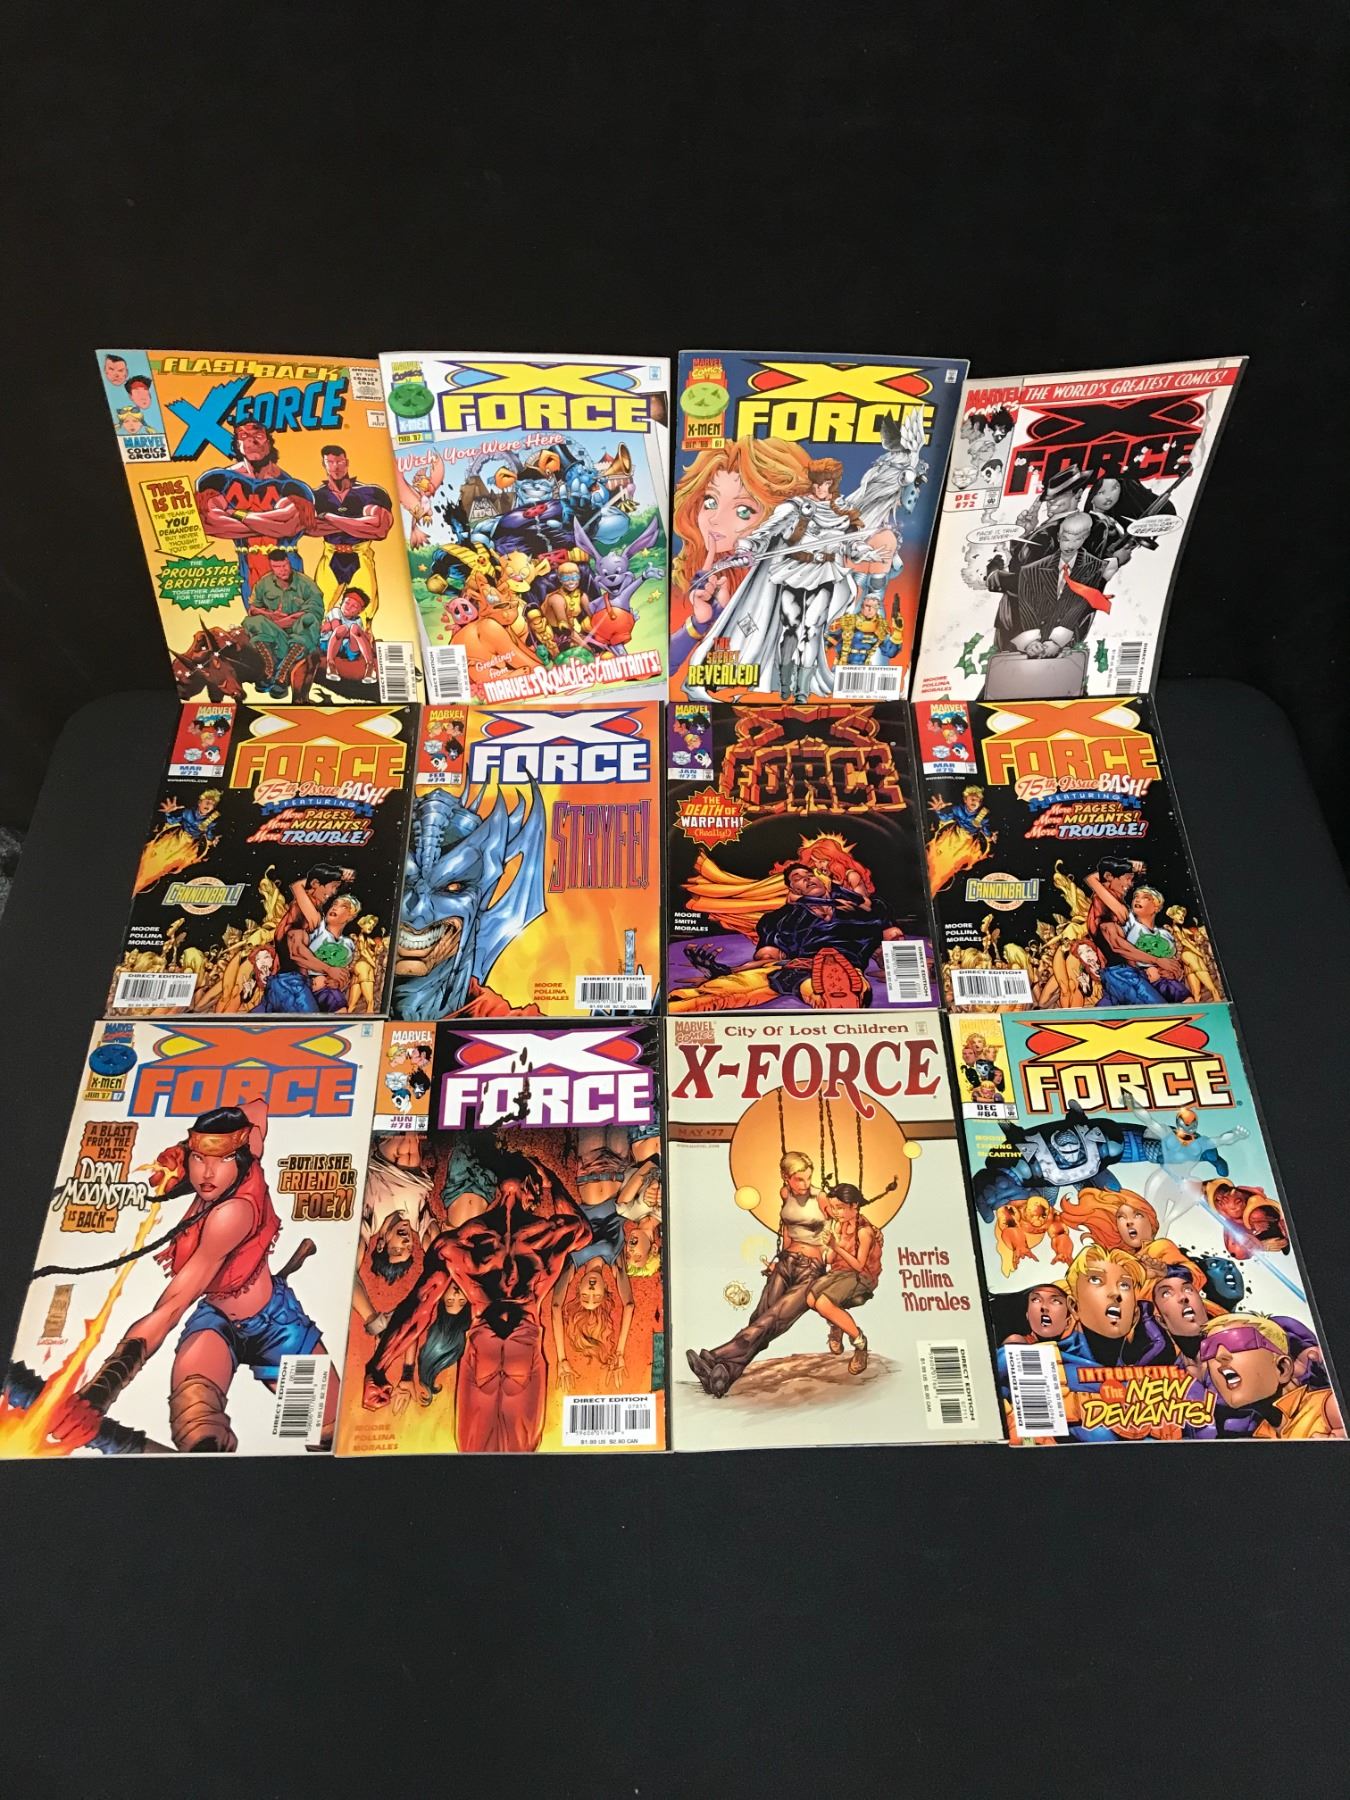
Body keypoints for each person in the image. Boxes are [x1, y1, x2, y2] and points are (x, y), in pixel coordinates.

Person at [48, 1100, 335, 1452]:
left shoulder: (233, 1214)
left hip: (277, 1327)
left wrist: (99, 1393)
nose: (206, 1173)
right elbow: (258, 1108)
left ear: (241, 1156)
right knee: (198, 1437)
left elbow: (170, 1307)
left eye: (221, 1159)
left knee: (327, 1434)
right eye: (200, 1159)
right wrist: (182, 1151)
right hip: (216, 1324)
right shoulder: (247, 1152)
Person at [365, 1143, 594, 1452]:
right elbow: (583, 1231)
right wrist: (550, 1180)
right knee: (505, 1457)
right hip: (519, 1343)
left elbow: (420, 1307)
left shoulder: (460, 1242)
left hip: (487, 1344)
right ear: (532, 1188)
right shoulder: (548, 1235)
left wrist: (377, 1367)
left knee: (479, 1456)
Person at [686, 1151, 829, 1396]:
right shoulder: (785, 1194)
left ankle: (715, 1356)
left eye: (808, 1178)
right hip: (786, 1263)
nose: (805, 1184)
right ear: (786, 1178)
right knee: (759, 1319)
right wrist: (777, 1260)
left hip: (811, 1269)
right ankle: (722, 1377)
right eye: (799, 1179)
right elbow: (786, 1230)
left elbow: (835, 1232)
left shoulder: (821, 1198)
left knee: (774, 1318)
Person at [669, 435, 812, 678]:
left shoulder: (793, 587)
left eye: (744, 511)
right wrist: (700, 622)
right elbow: (666, 669)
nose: (715, 519)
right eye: (710, 501)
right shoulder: (693, 576)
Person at [195, 420, 315, 602]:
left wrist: (235, 514)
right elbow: (210, 523)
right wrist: (271, 524)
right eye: (244, 436)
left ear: (269, 441)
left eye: (258, 435)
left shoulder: (291, 485)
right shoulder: (219, 480)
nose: (252, 440)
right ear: (237, 445)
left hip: (287, 564)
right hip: (248, 568)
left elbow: (288, 526)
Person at [309, 443, 395, 627]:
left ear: (346, 463)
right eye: (330, 462)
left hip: (359, 555)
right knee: (318, 607)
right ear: (324, 465)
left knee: (364, 610)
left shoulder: (369, 492)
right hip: (331, 557)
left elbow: (379, 529)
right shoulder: (316, 496)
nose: (336, 467)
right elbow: (309, 528)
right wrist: (358, 523)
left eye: (339, 461)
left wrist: (330, 518)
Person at [1083, 859, 1188, 1003]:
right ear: (1109, 877)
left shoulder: (1120, 909)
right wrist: (1157, 961)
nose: (1130, 884)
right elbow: (1118, 946)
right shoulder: (1103, 906)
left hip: (1125, 975)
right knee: (1160, 1010)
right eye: (1127, 878)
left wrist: (1162, 967)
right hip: (1122, 976)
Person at [807, 1183, 881, 1374]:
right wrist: (829, 1246)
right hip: (840, 1272)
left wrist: (836, 1246)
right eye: (833, 1208)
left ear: (854, 1205)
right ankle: (837, 1324)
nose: (835, 1212)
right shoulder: (838, 1225)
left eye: (839, 1208)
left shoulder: (864, 1232)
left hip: (861, 1277)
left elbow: (859, 1265)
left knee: (824, 1304)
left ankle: (860, 1343)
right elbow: (832, 1260)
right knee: (811, 1299)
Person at [242, 547, 326, 697]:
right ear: (271, 566)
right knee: (251, 622)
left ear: (289, 562)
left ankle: (282, 674)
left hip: (298, 632)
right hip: (273, 632)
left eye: (284, 565)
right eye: (277, 567)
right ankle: (269, 669)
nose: (282, 570)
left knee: (309, 620)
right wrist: (270, 615)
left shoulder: (306, 583)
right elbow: (253, 609)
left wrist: (290, 619)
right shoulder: (264, 583)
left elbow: (316, 610)